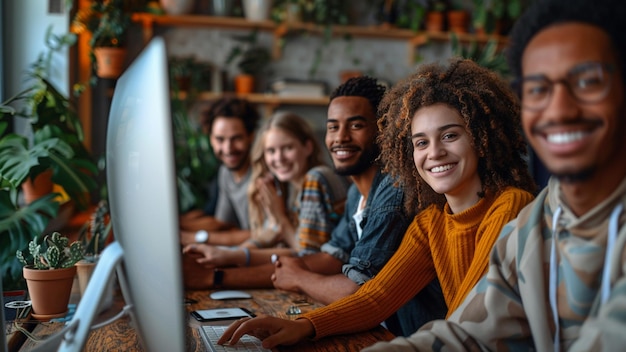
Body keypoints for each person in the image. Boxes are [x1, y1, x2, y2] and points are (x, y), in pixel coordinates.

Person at [218, 58, 538, 349]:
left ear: (482, 140)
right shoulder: (430, 223)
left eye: (450, 136)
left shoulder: (510, 206)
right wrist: (302, 325)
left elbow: (467, 323)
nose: (434, 153)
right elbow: (376, 298)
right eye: (421, 142)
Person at [362, 0, 626, 350]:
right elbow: (470, 334)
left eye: (588, 82)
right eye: (538, 89)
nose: (559, 109)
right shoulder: (532, 228)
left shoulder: (512, 209)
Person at [183, 77, 441, 336]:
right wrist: (219, 274)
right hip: (376, 331)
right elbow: (329, 257)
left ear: (382, 130)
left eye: (356, 125)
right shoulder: (356, 193)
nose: (340, 137)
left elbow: (356, 289)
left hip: (410, 337)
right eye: (332, 127)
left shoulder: (394, 189)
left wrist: (298, 278)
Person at [183, 111, 348, 267]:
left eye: (287, 148)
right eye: (271, 151)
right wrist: (226, 253)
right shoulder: (290, 184)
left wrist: (280, 217)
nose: (278, 158)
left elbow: (308, 256)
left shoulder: (316, 178)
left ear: (308, 147)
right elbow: (270, 232)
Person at [180, 96, 260, 247]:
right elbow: (223, 224)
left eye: (236, 139)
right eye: (220, 139)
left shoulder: (262, 175)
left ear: (251, 137)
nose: (228, 149)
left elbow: (263, 234)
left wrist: (194, 237)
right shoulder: (225, 173)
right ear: (211, 139)